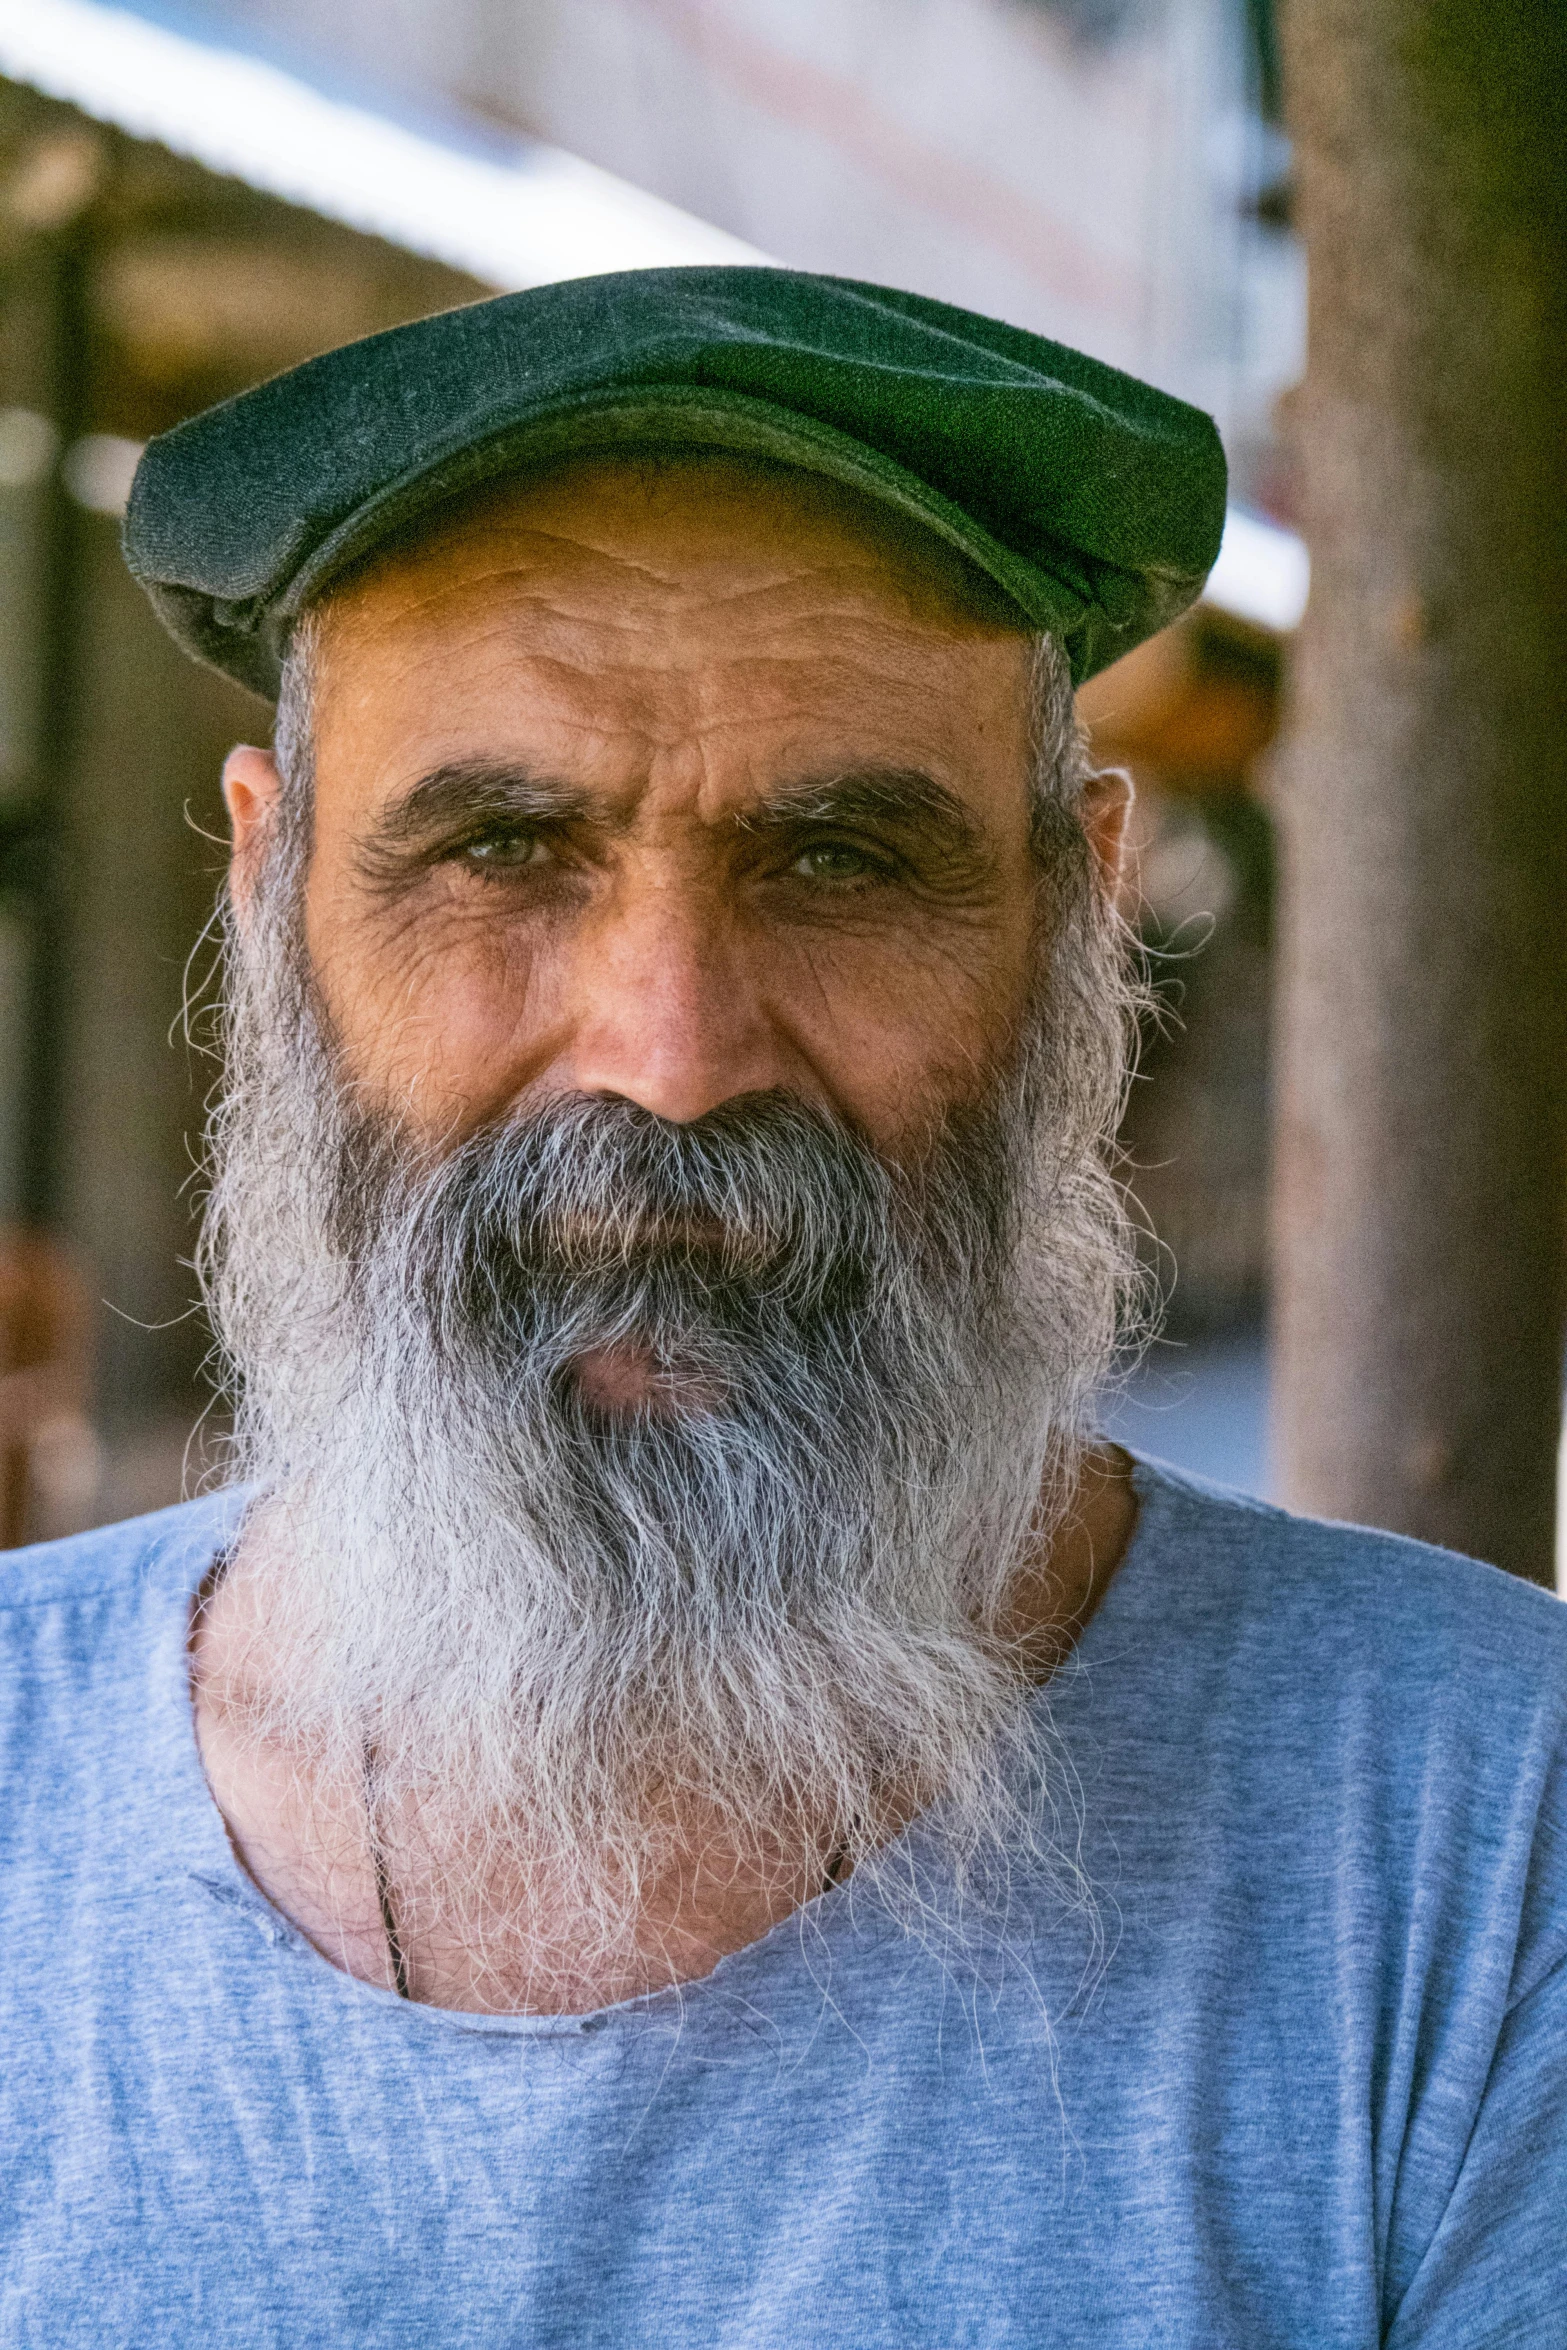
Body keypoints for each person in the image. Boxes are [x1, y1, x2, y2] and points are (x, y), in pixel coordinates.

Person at [1, 268, 1562, 2345]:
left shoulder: (1488, 1842)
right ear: (269, 889)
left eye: (838, 857)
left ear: (1077, 906)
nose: (670, 1049)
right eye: (502, 846)